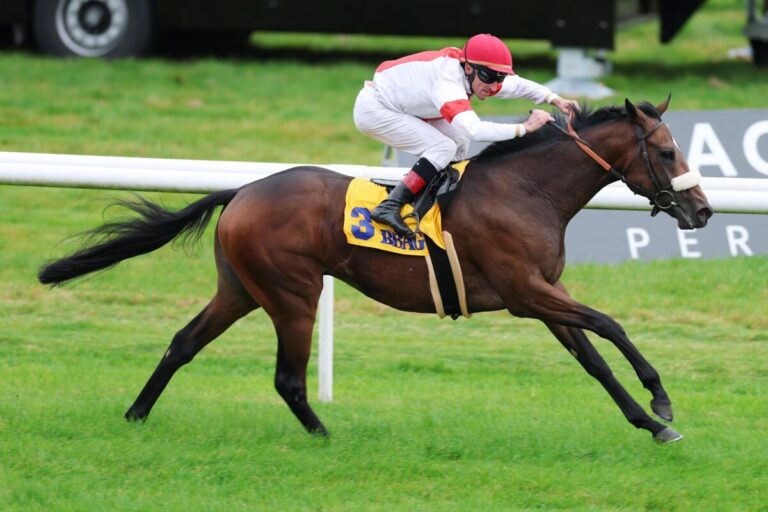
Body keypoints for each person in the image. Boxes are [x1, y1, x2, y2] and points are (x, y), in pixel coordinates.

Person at [353, 33, 580, 237]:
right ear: (469, 68)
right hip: (376, 109)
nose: (494, 86)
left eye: (499, 78)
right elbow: (476, 129)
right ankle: (390, 206)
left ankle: (440, 207)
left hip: (405, 106)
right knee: (444, 147)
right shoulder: (447, 83)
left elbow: (517, 84)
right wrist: (526, 128)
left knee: (459, 142)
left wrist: (554, 99)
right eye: (490, 77)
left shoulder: (477, 72)